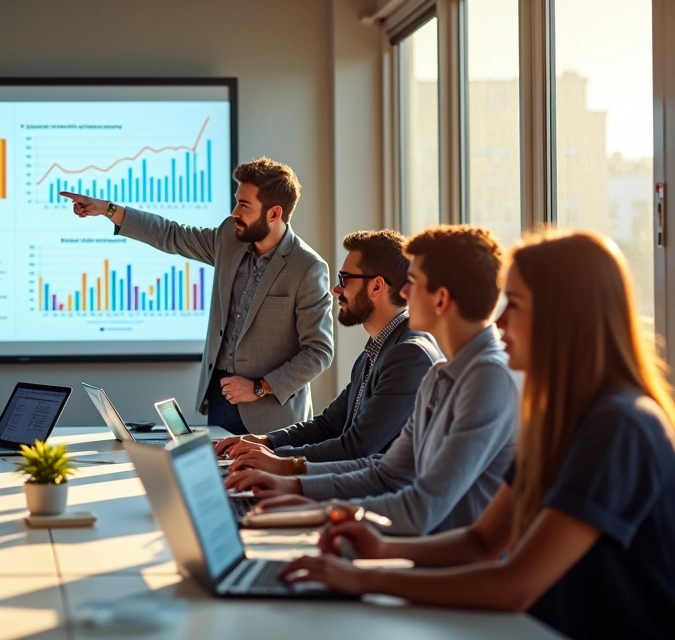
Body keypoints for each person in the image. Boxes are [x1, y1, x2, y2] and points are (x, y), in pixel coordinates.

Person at [278, 231, 675, 639]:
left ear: (563, 316)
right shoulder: (561, 417)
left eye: (514, 306)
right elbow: (481, 540)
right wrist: (383, 550)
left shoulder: (618, 426)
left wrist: (365, 579)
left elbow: (514, 585)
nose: (499, 322)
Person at [226, 226, 517, 535]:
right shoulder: (440, 374)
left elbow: (421, 509)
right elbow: (386, 473)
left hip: (437, 562)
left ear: (441, 299)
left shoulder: (487, 377)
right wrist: (292, 483)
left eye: (413, 283)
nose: (403, 292)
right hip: (413, 547)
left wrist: (310, 504)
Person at [62, 157, 333, 435]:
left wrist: (259, 387)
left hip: (271, 415)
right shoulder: (230, 236)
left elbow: (319, 351)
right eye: (236, 200)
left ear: (274, 213)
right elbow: (172, 235)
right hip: (219, 399)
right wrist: (108, 209)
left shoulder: (308, 268)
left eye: (244, 205)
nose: (234, 211)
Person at [213, 230, 441, 469]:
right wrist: (265, 442)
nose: (336, 290)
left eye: (344, 279)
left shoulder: (409, 355)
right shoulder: (374, 352)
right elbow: (328, 425)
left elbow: (357, 448)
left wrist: (278, 461)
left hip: (378, 501)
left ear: (376, 286)